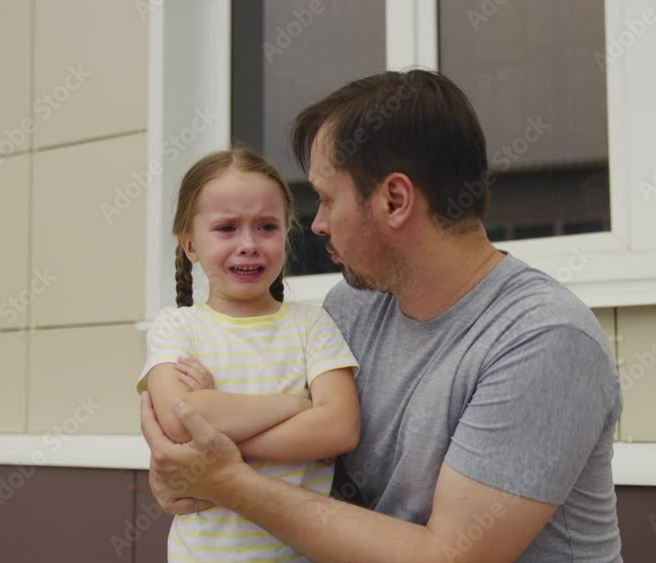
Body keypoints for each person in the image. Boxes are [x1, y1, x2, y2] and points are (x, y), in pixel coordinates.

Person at [141, 70, 624, 562]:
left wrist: (226, 479)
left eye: (327, 198)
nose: (317, 224)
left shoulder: (544, 339)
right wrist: (188, 467)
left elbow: (449, 558)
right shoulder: (352, 307)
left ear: (394, 200)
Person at [136, 148, 360, 562]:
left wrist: (214, 439)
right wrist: (298, 405)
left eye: (266, 227)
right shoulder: (177, 327)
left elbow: (339, 427)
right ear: (190, 244)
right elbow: (179, 418)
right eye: (226, 228)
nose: (249, 245)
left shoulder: (312, 326)